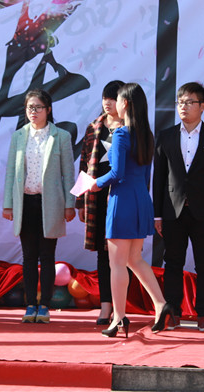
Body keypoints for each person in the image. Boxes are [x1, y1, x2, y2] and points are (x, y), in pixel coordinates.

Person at [89, 83, 173, 337]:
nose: (115, 103)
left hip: (122, 200)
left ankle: (119, 317)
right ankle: (161, 304)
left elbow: (116, 173)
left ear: (125, 103)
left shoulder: (121, 134)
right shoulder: (147, 135)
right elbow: (145, 176)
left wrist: (95, 183)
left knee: (117, 263)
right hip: (141, 200)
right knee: (134, 259)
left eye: (118, 99)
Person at [153, 82, 204, 332]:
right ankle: (173, 312)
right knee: (172, 263)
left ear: (202, 106)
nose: (183, 107)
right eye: (180, 102)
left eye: (189, 102)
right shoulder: (165, 136)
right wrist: (157, 215)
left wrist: (203, 188)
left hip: (203, 210)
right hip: (172, 211)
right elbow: (159, 177)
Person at [3, 89, 76, 323]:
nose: (33, 112)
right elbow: (11, 173)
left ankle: (44, 304)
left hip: (50, 203)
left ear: (48, 109)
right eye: (29, 107)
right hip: (25, 202)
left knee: (47, 256)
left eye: (38, 107)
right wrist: (8, 204)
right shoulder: (19, 136)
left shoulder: (60, 136)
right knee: (28, 257)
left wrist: (70, 204)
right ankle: (29, 305)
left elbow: (68, 173)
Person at [76, 80, 125, 325]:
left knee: (122, 255)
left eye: (113, 98)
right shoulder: (94, 127)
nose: (108, 102)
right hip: (96, 198)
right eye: (105, 97)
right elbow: (84, 165)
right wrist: (80, 202)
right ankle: (106, 307)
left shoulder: (130, 128)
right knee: (102, 254)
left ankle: (121, 307)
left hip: (121, 197)